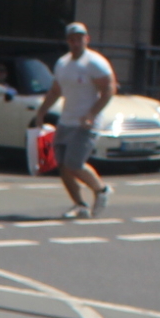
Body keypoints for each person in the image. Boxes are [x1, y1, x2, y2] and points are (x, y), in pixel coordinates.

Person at [33, 20, 115, 219]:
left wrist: (91, 114)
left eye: (79, 39)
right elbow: (55, 91)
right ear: (68, 41)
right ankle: (80, 204)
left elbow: (109, 90)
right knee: (62, 166)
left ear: (87, 39)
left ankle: (101, 189)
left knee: (74, 163)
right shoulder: (62, 63)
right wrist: (41, 112)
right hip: (66, 121)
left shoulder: (94, 62)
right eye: (72, 39)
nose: (76, 43)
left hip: (86, 124)